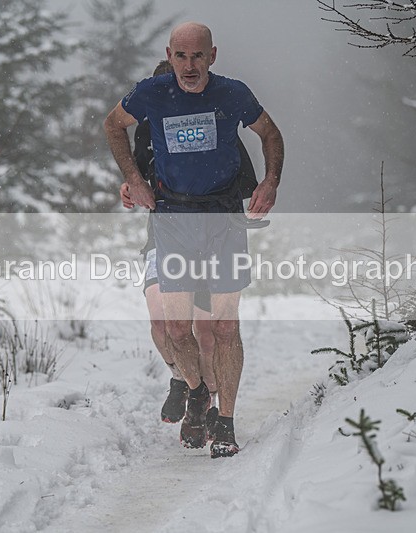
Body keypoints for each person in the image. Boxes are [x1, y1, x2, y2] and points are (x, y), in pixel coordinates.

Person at [105, 22, 284, 458]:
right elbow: (113, 126)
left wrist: (270, 183)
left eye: (197, 56)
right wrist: (132, 179)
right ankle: (196, 390)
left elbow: (270, 134)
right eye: (181, 57)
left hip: (223, 218)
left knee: (224, 326)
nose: (189, 66)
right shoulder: (152, 95)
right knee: (177, 329)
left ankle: (226, 422)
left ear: (212, 56)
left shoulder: (231, 93)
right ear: (169, 57)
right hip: (172, 221)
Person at [120, 59, 260, 435]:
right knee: (163, 321)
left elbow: (243, 177)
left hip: (213, 234)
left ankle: (209, 406)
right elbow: (138, 169)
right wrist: (131, 185)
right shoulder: (146, 126)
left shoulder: (209, 120)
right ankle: (184, 381)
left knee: (209, 333)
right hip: (164, 233)